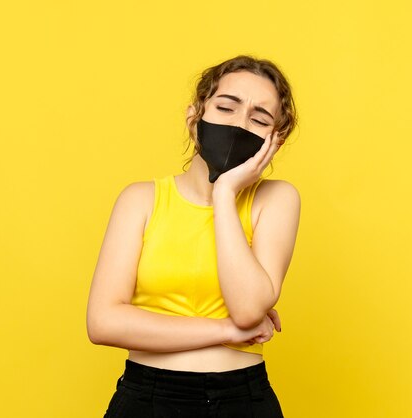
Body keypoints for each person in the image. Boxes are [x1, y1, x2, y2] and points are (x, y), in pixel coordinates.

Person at [86, 55, 300, 417]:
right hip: (146, 399)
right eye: (226, 107)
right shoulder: (140, 199)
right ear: (195, 116)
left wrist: (224, 193)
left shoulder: (276, 199)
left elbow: (248, 310)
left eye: (259, 118)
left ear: (274, 140)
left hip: (241, 401)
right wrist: (224, 332)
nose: (239, 124)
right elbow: (103, 322)